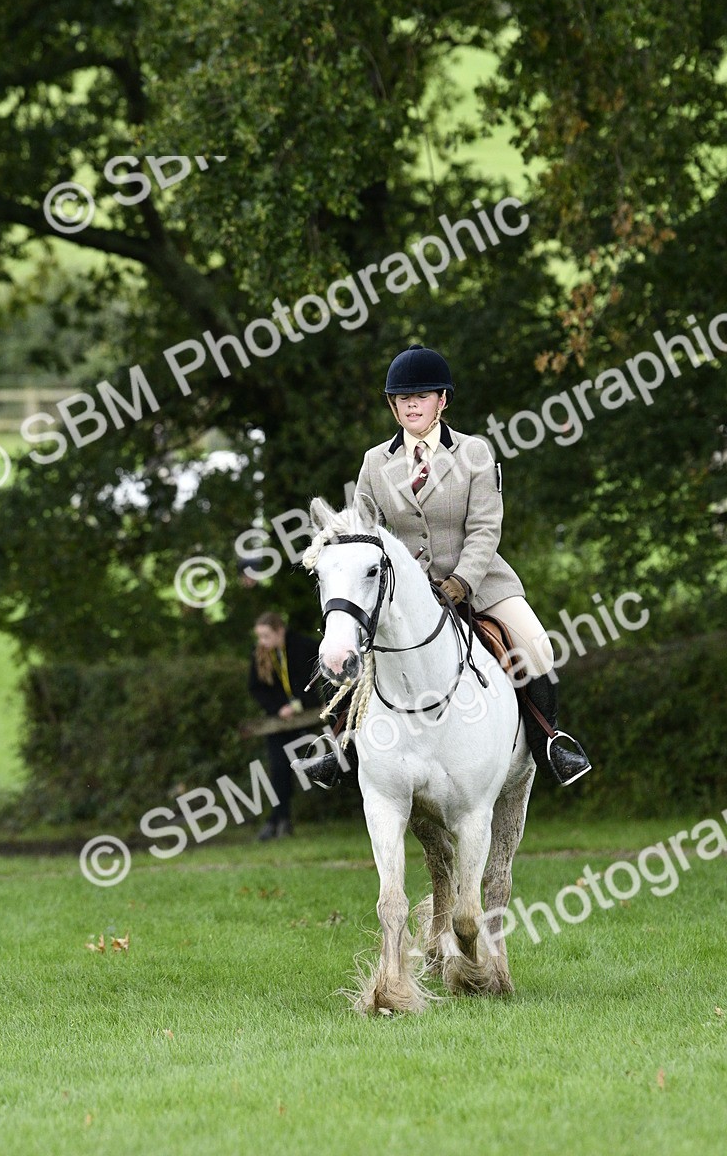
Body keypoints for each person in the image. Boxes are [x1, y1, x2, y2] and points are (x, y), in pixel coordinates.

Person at [302, 343, 591, 789]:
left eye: (422, 395)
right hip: (399, 594)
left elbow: (485, 529)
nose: (411, 404)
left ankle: (549, 743)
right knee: (342, 643)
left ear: (443, 400)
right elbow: (359, 529)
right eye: (402, 397)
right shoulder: (375, 462)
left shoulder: (475, 453)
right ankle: (340, 745)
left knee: (537, 646)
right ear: (392, 405)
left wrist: (461, 582)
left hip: (478, 581)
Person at [247, 611, 321, 839]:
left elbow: (318, 676)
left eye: (266, 636)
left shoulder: (304, 646)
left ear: (280, 631)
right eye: (259, 636)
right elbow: (256, 688)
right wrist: (278, 707)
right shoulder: (260, 655)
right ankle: (279, 819)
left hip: (307, 717)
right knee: (279, 768)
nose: (262, 642)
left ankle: (279, 820)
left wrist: (299, 704)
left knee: (301, 765)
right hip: (279, 721)